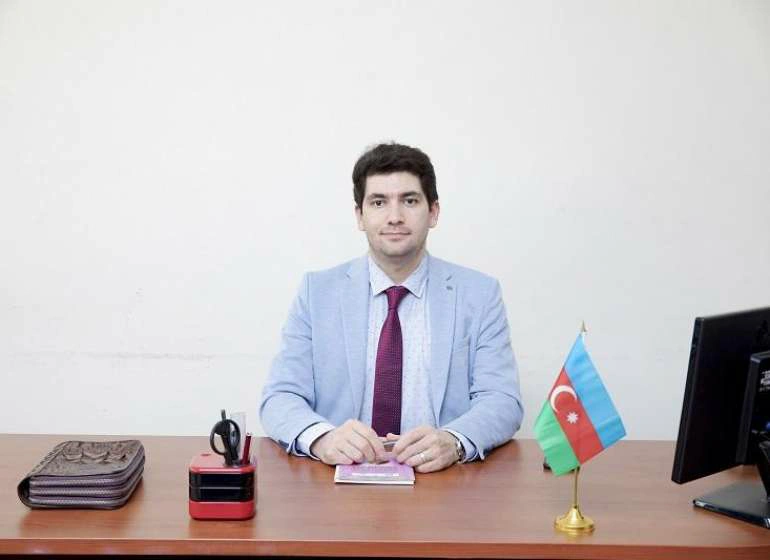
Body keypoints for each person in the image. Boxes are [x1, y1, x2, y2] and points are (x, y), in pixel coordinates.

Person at [260, 143, 523, 472]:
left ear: (434, 212)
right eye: (378, 202)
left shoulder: (479, 294)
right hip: (340, 480)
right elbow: (280, 397)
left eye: (409, 201)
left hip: (442, 482)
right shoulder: (317, 292)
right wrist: (323, 439)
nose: (395, 217)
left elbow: (502, 400)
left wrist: (454, 441)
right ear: (360, 216)